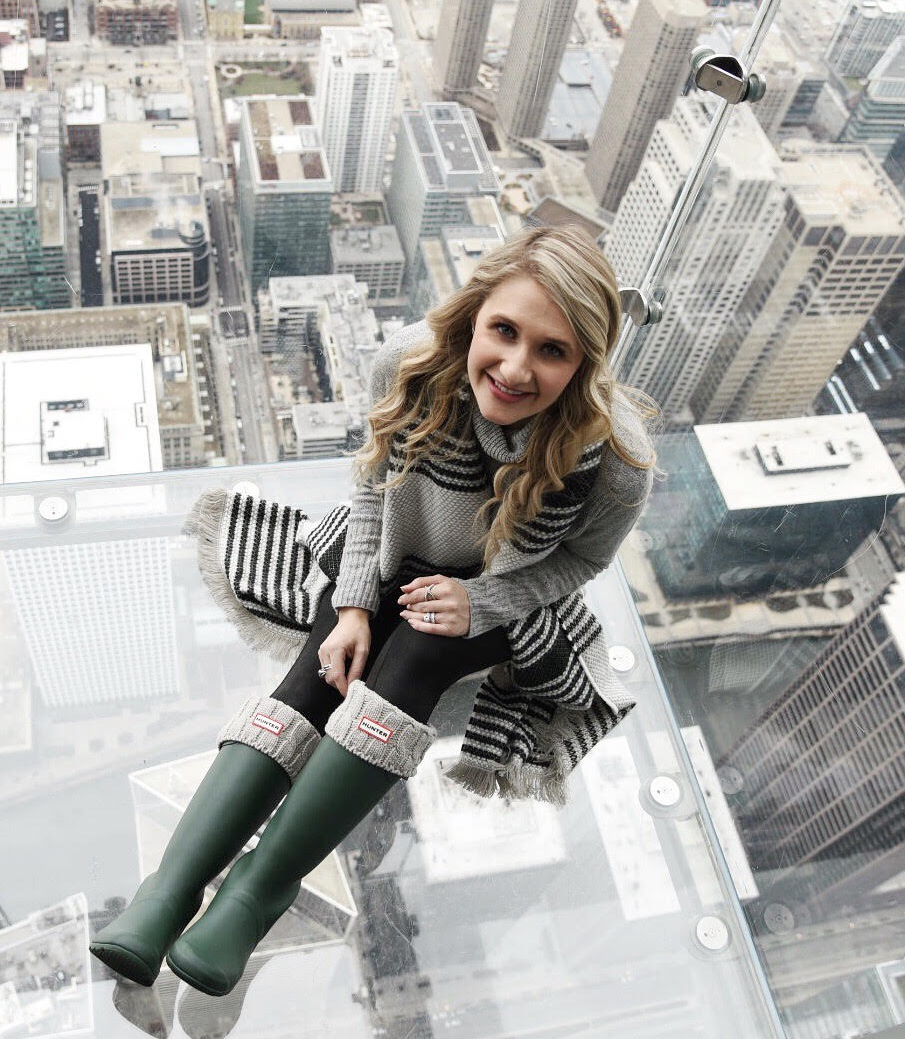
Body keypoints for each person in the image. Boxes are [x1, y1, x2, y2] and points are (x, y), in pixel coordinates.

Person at [89, 224, 663, 997]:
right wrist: (354, 601)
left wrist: (483, 600)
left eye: (552, 351)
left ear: (586, 363)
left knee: (417, 658)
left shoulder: (616, 462)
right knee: (320, 669)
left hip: (489, 593)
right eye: (504, 331)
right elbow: (368, 481)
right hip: (388, 558)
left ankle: (261, 888)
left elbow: (583, 560)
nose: (516, 367)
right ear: (476, 314)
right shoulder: (412, 363)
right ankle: (170, 889)